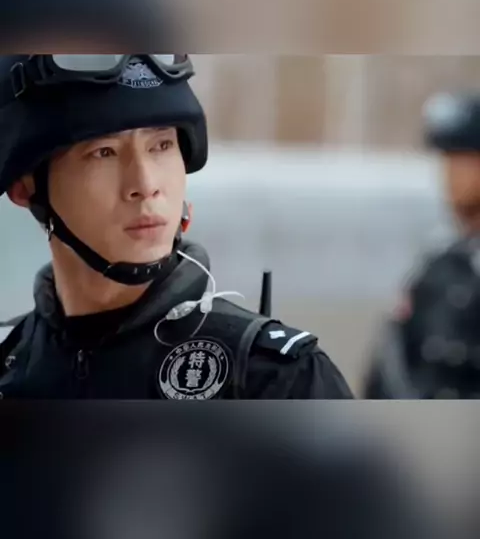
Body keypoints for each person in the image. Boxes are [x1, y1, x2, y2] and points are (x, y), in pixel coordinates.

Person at [0, 54, 353, 400]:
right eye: (104, 152)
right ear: (25, 187)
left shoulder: (276, 381)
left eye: (161, 145)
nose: (146, 184)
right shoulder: (9, 367)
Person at [363, 92, 480, 398]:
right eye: (448, 162)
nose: (449, 176)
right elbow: (391, 370)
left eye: (463, 160)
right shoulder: (442, 269)